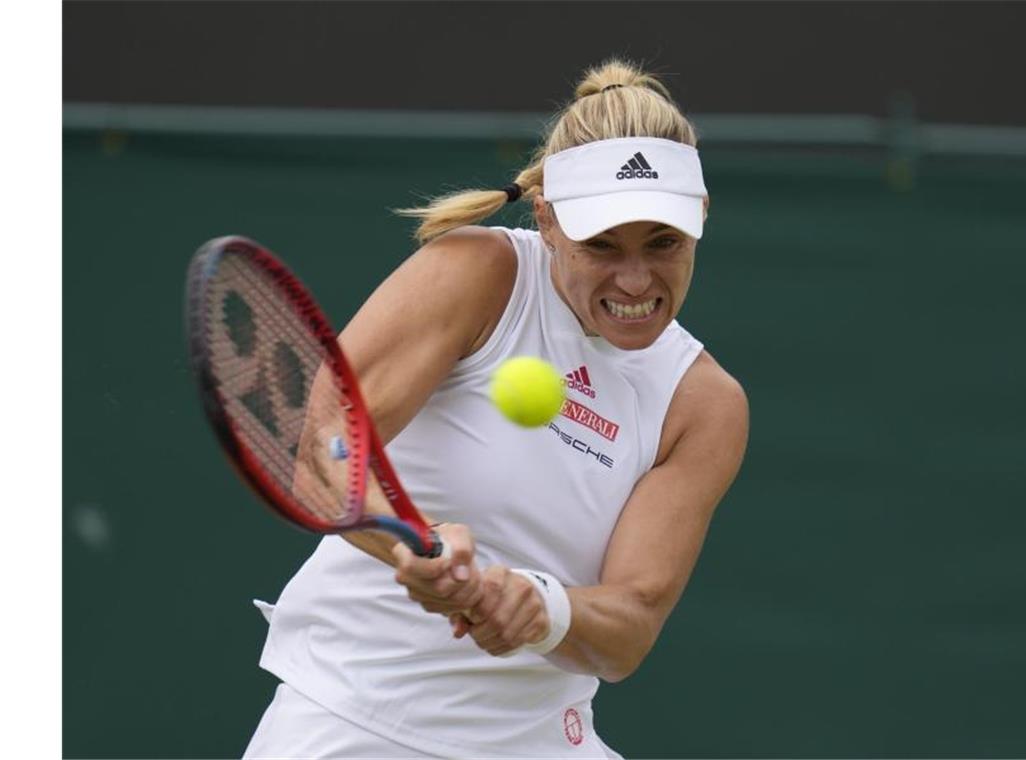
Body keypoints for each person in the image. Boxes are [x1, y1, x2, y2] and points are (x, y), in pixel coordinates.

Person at [243, 58, 749, 759]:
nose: (636, 279)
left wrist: (543, 608)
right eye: (602, 246)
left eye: (663, 243)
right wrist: (413, 543)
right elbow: (324, 447)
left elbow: (630, 624)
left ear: (700, 218)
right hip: (352, 718)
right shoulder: (477, 275)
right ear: (545, 220)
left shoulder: (705, 405)